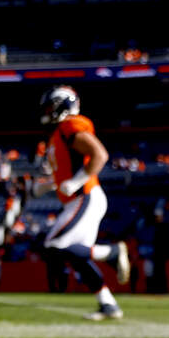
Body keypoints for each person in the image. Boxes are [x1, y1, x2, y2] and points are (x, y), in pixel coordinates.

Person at [31, 86, 129, 320]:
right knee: (76, 256)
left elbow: (99, 155)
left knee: (54, 245)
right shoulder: (57, 134)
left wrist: (76, 182)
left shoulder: (70, 125)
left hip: (85, 196)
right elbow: (65, 174)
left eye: (51, 107)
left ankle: (113, 252)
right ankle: (108, 304)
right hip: (77, 200)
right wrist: (48, 185)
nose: (47, 112)